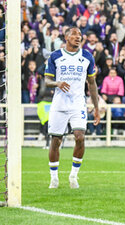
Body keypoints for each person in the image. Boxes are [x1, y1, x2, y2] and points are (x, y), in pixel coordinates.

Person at [44, 27, 100, 189]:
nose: (78, 37)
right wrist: (57, 83)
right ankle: (54, 178)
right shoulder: (55, 56)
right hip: (59, 104)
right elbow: (47, 81)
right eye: (74, 35)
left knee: (80, 137)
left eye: (80, 36)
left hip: (78, 104)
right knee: (56, 141)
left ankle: (73, 176)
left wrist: (96, 108)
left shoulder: (87, 56)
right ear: (66, 37)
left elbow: (92, 83)